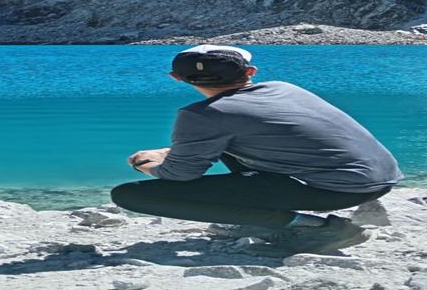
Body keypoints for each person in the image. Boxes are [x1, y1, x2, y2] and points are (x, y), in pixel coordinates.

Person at [110, 44, 403, 254]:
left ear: (176, 78)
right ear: (250, 71)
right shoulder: (285, 88)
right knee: (225, 144)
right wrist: (174, 151)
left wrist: (145, 163)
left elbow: (178, 176)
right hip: (381, 178)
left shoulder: (202, 114)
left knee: (128, 194)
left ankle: (314, 226)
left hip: (336, 191)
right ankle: (267, 217)